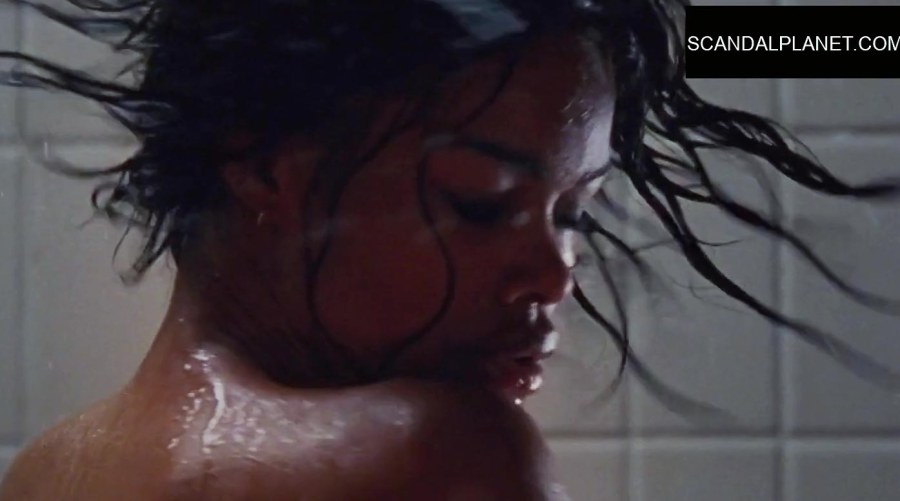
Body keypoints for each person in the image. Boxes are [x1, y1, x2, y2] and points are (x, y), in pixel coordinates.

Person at [0, 0, 898, 499]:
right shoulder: (442, 456)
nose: (553, 274)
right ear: (267, 161)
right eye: (483, 204)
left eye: (574, 213)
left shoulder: (47, 469)